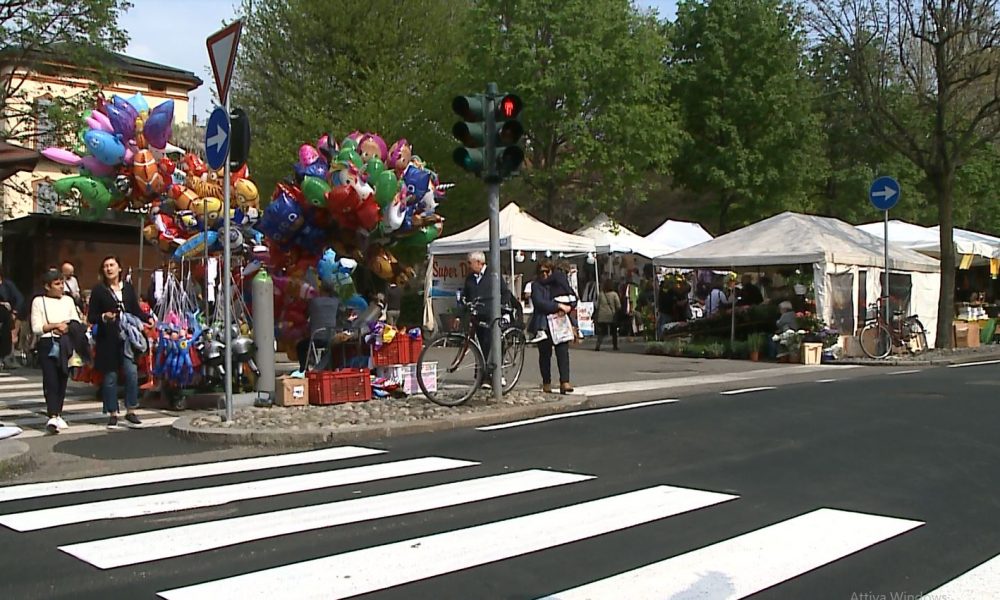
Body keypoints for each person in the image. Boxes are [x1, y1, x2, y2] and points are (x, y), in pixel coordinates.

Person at [88, 255, 154, 430]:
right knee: (110, 377)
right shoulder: (99, 290)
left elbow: (135, 310)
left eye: (112, 265)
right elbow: (91, 316)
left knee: (131, 373)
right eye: (105, 266)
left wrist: (148, 319)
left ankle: (131, 409)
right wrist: (104, 317)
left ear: (119, 268)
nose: (109, 269)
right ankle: (112, 413)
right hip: (107, 338)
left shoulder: (128, 288)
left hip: (127, 339)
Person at [30, 271, 84, 434]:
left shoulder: (68, 301)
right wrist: (55, 326)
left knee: (62, 378)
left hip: (65, 342)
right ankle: (52, 414)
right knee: (50, 379)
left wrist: (67, 327)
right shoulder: (39, 302)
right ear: (47, 286)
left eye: (62, 283)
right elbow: (37, 327)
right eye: (57, 284)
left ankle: (58, 413)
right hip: (48, 343)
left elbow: (76, 320)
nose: (61, 287)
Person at [460, 250, 510, 375]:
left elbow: (506, 292)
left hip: (491, 315)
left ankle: (494, 374)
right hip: (477, 316)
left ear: (479, 262)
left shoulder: (493, 275)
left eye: (469, 262)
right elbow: (465, 296)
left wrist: (500, 309)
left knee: (490, 344)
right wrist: (459, 315)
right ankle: (481, 375)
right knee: (480, 346)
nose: (468, 265)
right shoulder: (470, 278)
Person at [530, 260, 574, 394]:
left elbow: (572, 297)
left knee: (563, 353)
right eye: (541, 272)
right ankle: (546, 382)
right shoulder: (536, 285)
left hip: (559, 322)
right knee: (545, 355)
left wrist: (568, 307)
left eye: (547, 271)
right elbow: (539, 302)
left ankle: (565, 381)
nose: (544, 274)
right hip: (543, 323)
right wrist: (557, 306)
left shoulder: (558, 282)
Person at [294, 288, 340, 373]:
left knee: (300, 346)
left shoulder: (314, 302)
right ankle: (322, 367)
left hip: (316, 337)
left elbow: (306, 313)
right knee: (331, 348)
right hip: (331, 337)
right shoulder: (335, 302)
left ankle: (304, 368)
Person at [0, 266, 25, 370]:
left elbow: (19, 298)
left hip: (6, 315)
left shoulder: (7, 285)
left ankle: (6, 357)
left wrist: (14, 311)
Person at [594, 279, 621, 352]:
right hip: (611, 315)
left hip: (602, 315)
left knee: (601, 332)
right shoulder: (614, 294)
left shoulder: (601, 294)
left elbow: (598, 306)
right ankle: (615, 346)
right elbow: (618, 306)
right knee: (614, 332)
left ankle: (598, 345)